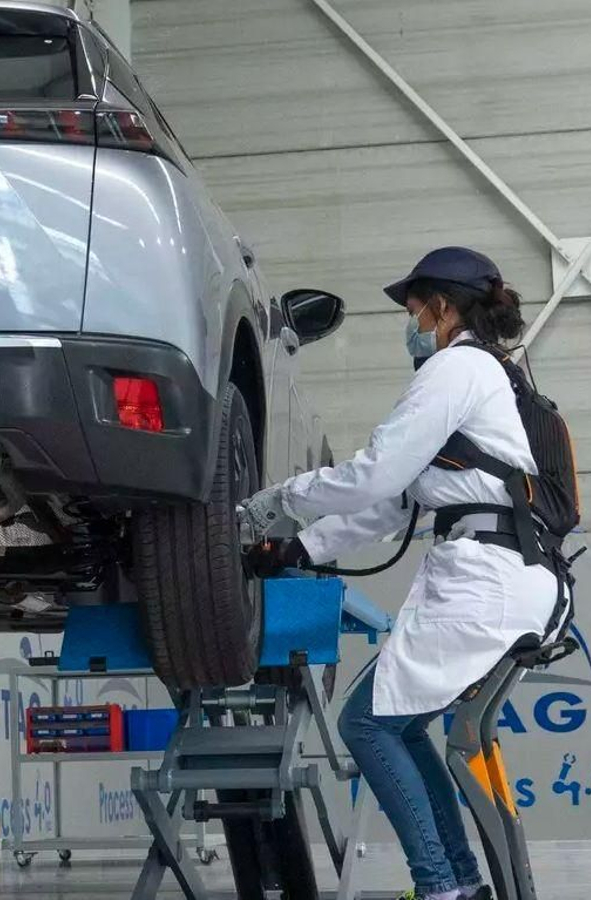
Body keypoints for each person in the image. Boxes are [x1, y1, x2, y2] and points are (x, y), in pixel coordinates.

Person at [239, 247, 558, 900]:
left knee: (367, 725)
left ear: (443, 310)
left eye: (414, 310)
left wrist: (272, 506)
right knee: (400, 726)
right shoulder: (478, 377)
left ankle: (440, 887)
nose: (409, 324)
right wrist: (299, 548)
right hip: (501, 575)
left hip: (486, 581)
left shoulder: (457, 368)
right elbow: (394, 506)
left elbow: (375, 473)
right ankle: (460, 886)